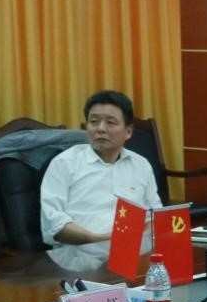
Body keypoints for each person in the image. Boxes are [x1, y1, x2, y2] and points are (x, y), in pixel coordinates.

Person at [40, 90, 162, 246]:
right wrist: (97, 240)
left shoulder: (141, 165)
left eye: (110, 122)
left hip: (132, 250)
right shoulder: (64, 163)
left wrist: (138, 239)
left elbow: (155, 216)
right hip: (80, 252)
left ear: (128, 131)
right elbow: (53, 222)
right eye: (94, 121)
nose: (101, 129)